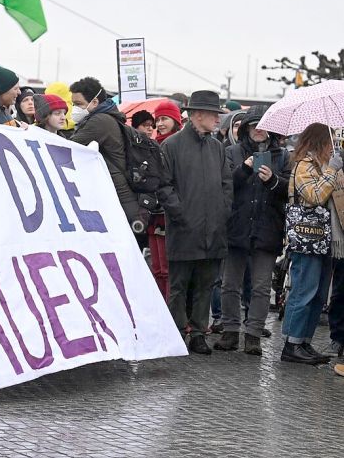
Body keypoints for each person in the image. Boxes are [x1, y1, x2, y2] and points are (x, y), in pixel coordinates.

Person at [157, 90, 232, 355]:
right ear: (198, 115)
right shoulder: (172, 146)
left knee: (205, 284)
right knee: (178, 286)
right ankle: (176, 331)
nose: (218, 121)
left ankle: (198, 333)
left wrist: (223, 211)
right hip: (184, 229)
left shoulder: (216, 147)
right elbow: (164, 186)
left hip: (213, 230)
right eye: (214, 115)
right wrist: (181, 214)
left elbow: (226, 183)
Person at [213, 106, 289, 355]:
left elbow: (291, 190)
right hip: (236, 226)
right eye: (254, 125)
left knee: (260, 287)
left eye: (263, 125)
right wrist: (245, 169)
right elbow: (223, 186)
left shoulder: (283, 156)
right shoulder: (232, 152)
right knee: (229, 284)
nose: (258, 130)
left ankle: (254, 334)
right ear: (245, 127)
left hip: (267, 228)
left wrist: (273, 180)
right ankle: (230, 331)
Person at [280, 123, 341, 364]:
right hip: (307, 238)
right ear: (321, 142)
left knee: (317, 294)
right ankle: (292, 344)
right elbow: (314, 195)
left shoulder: (322, 165)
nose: (333, 147)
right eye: (331, 141)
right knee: (304, 290)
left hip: (323, 239)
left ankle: (304, 341)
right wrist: (331, 172)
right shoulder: (304, 165)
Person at [69, 77, 141, 232]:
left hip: (119, 194)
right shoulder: (108, 117)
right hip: (121, 192)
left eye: (79, 104)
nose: (74, 109)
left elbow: (69, 147)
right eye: (73, 104)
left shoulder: (99, 121)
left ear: (94, 102)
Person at [147, 100, 183, 302]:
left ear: (175, 121)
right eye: (157, 119)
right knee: (157, 268)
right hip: (153, 213)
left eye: (164, 119)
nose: (159, 123)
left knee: (169, 269)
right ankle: (160, 307)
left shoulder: (176, 145)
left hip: (169, 212)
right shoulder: (153, 145)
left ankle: (172, 311)